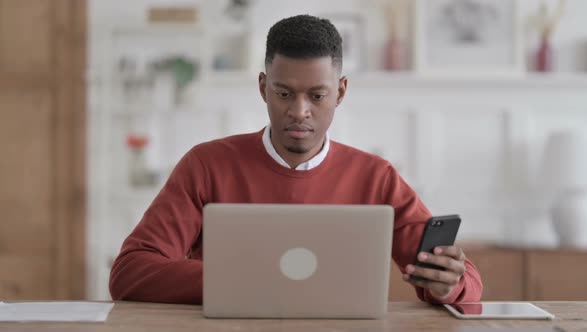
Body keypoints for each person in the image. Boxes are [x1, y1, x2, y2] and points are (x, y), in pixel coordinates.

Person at [109, 14, 483, 304]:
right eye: (284, 93)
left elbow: (467, 284)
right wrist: (241, 282)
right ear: (262, 88)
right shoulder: (207, 165)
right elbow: (129, 272)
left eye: (316, 96)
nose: (299, 111)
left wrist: (449, 285)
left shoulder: (376, 177)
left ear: (340, 92)